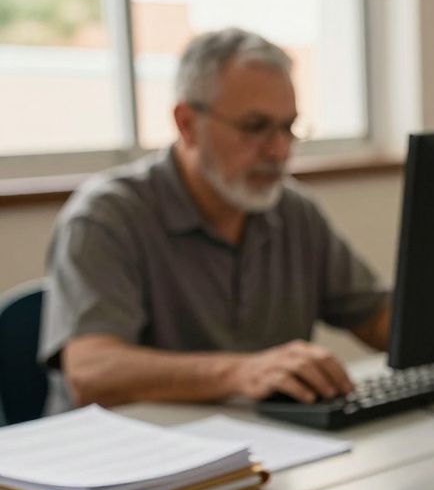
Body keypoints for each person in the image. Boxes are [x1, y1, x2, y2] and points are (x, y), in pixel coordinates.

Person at [40, 28, 390, 412]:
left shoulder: (293, 212)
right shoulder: (107, 215)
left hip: (262, 449)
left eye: (288, 128)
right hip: (125, 456)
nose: (278, 150)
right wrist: (240, 372)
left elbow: (375, 318)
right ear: (187, 124)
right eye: (255, 127)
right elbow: (91, 372)